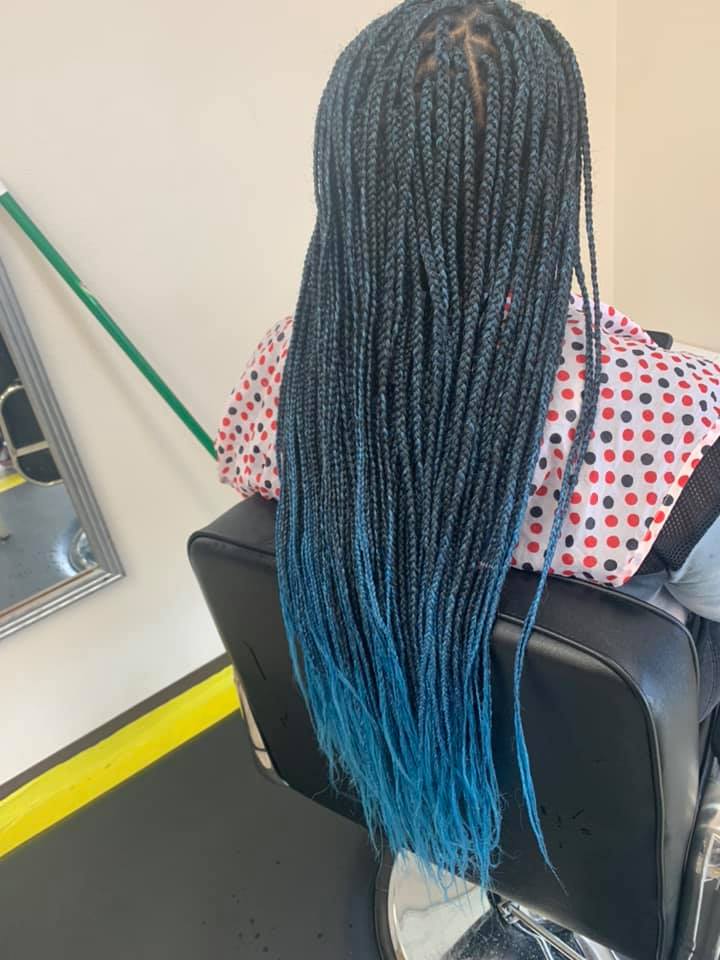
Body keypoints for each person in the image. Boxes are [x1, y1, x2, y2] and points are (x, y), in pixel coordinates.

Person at [216, 0, 720, 885]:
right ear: (555, 177)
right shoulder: (672, 424)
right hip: (580, 786)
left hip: (379, 725)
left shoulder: (286, 364)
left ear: (342, 169)